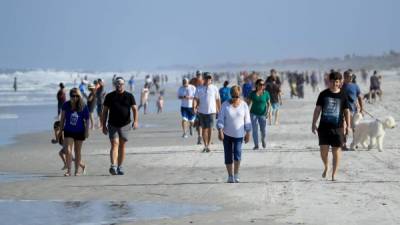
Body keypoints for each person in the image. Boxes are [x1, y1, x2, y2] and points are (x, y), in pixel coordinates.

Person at [312, 71, 351, 181]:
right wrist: (313, 123)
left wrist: (348, 126)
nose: (334, 84)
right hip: (324, 127)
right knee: (323, 151)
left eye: (336, 82)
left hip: (338, 128)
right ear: (329, 82)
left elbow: (347, 111)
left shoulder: (343, 95)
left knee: (336, 151)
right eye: (332, 81)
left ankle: (334, 173)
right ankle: (326, 166)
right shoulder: (323, 94)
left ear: (339, 83)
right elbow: (317, 109)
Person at [102, 77, 138, 175]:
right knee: (114, 144)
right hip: (112, 124)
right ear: (115, 85)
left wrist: (135, 121)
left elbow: (134, 109)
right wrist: (103, 125)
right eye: (117, 84)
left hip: (125, 125)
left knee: (122, 145)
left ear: (124, 85)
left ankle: (120, 166)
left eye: (121, 84)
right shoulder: (109, 96)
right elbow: (104, 112)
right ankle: (113, 165)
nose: (119, 85)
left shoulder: (129, 96)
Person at [217, 85, 251, 183]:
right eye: (233, 96)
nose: (235, 98)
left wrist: (248, 132)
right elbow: (220, 119)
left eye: (237, 96)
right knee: (228, 155)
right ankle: (230, 176)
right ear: (230, 95)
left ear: (240, 95)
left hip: (239, 135)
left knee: (237, 154)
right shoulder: (225, 105)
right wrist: (220, 130)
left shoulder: (244, 105)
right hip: (226, 134)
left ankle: (236, 174)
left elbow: (247, 120)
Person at [59, 88, 89, 176]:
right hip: (68, 130)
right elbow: (62, 119)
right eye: (73, 96)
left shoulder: (83, 105)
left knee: (77, 151)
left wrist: (87, 131)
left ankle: (77, 170)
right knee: (68, 150)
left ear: (79, 96)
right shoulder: (66, 105)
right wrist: (60, 130)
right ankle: (69, 170)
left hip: (80, 131)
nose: (75, 98)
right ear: (70, 96)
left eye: (77, 96)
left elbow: (87, 119)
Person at [193, 73, 221, 152]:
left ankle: (208, 145)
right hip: (201, 111)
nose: (208, 80)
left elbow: (218, 100)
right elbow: (195, 99)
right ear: (204, 79)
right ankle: (205, 145)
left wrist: (220, 109)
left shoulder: (214, 88)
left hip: (212, 112)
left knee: (210, 129)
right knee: (204, 129)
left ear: (211, 79)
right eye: (207, 78)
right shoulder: (199, 88)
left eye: (209, 78)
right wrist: (194, 107)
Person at [247, 79, 271, 150]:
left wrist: (268, 112)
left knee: (263, 130)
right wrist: (245, 112)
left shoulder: (266, 93)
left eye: (263, 85)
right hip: (253, 113)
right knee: (255, 130)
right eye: (260, 84)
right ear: (256, 85)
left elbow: (269, 104)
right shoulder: (252, 93)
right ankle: (256, 145)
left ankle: (263, 139)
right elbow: (248, 104)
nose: (262, 86)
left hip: (263, 114)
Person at [190, 70, 204, 144]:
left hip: (203, 104)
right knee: (198, 122)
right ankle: (199, 136)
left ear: (201, 75)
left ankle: (202, 137)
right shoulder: (192, 81)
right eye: (197, 74)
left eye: (200, 74)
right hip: (194, 103)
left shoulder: (204, 81)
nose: (198, 75)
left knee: (201, 122)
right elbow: (188, 87)